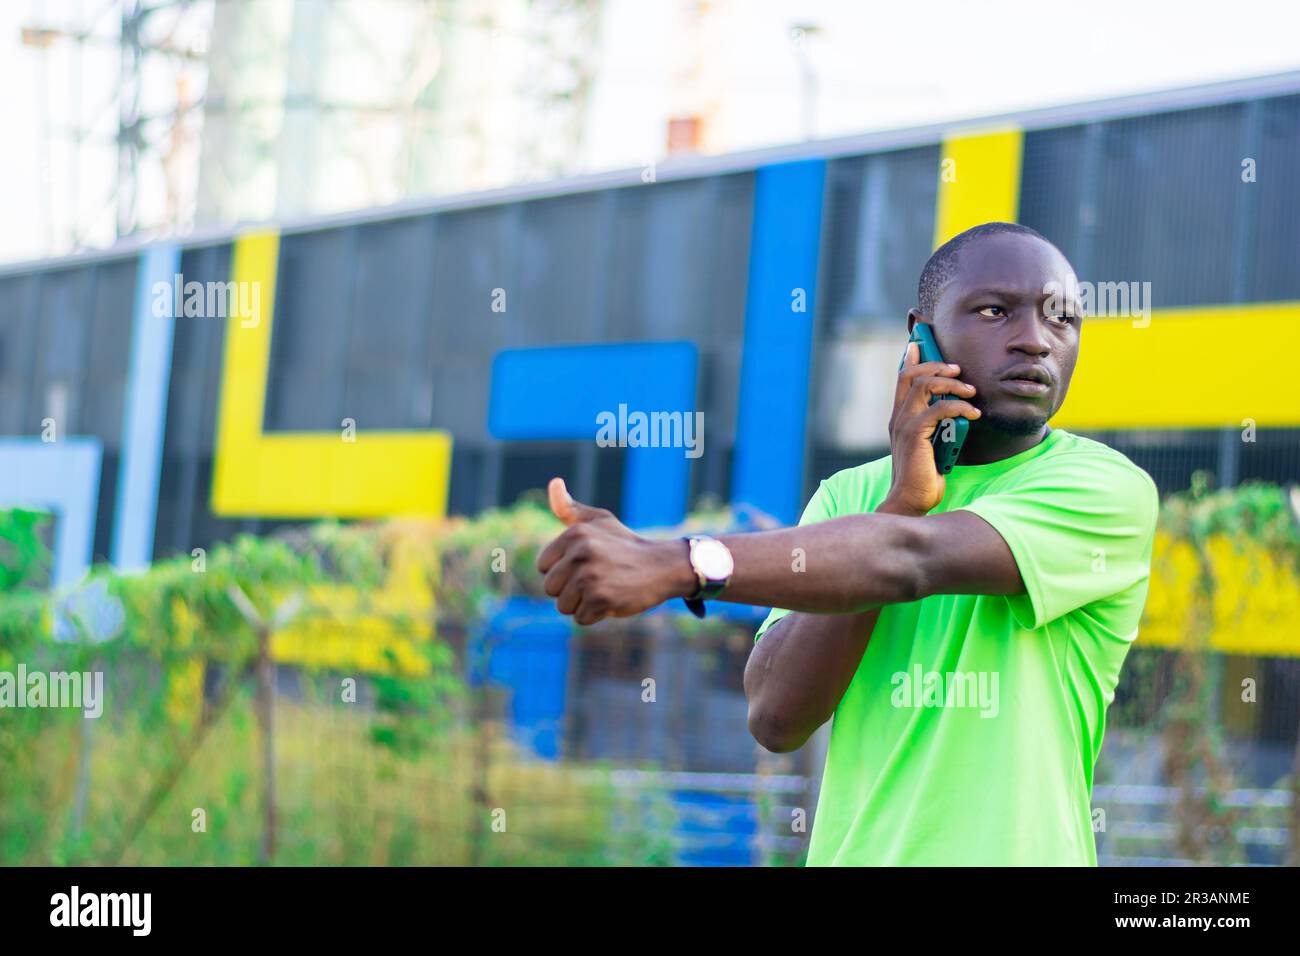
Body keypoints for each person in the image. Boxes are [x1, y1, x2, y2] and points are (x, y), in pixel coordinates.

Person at [535, 221, 1160, 865]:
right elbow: (777, 718)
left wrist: (682, 562)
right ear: (923, 335)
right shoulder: (849, 498)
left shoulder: (1104, 487)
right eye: (994, 311)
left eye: (1061, 319)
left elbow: (910, 560)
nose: (1033, 339)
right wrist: (902, 501)